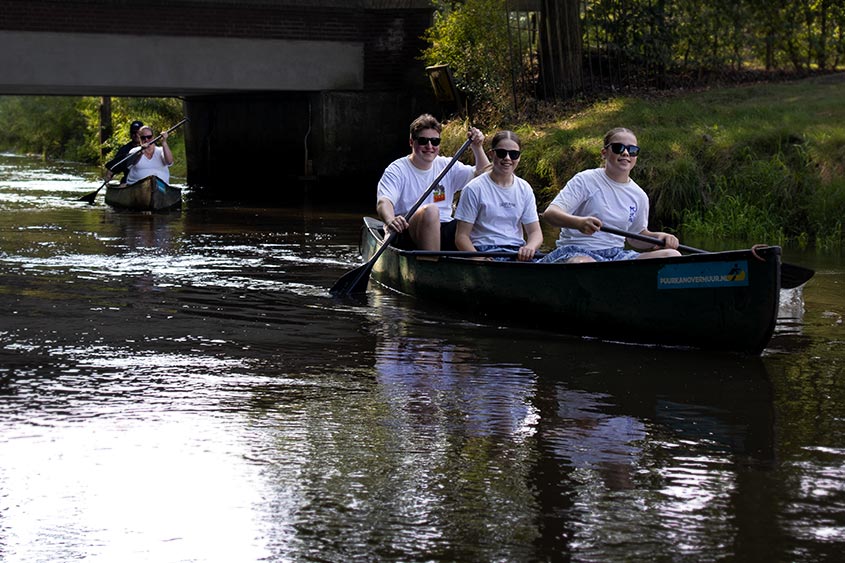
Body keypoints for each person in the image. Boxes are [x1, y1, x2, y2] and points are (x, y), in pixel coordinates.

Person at [539, 127, 681, 263]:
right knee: (584, 262)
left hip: (616, 255)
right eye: (618, 148)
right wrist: (579, 223)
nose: (626, 153)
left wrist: (659, 237)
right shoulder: (585, 179)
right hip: (577, 251)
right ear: (604, 153)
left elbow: (636, 237)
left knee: (672, 255)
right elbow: (550, 214)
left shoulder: (639, 196)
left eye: (632, 150)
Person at [376, 114, 489, 251]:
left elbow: (484, 177)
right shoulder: (397, 170)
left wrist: (477, 147)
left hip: (445, 228)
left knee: (472, 218)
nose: (429, 146)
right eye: (423, 141)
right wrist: (390, 220)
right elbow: (384, 202)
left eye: (435, 141)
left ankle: (482, 262)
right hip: (408, 230)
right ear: (412, 142)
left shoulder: (448, 165)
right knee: (431, 211)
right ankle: (431, 264)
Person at [453, 130, 542, 262]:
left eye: (513, 154)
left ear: (519, 157)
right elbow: (461, 237)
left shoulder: (525, 189)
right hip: (483, 250)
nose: (507, 158)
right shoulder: (473, 188)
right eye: (501, 153)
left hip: (516, 252)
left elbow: (535, 232)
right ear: (491, 154)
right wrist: (480, 258)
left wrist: (530, 247)